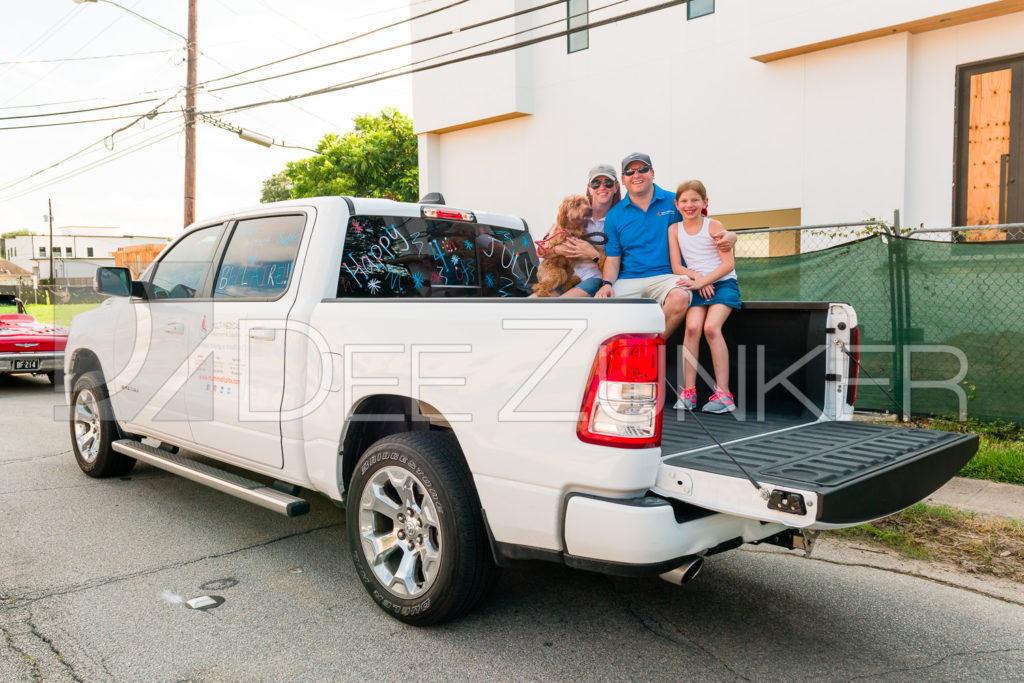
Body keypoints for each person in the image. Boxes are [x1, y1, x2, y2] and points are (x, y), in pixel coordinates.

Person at [594, 153, 736, 338]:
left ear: (652, 173)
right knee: (600, 308)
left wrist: (733, 236)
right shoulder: (614, 215)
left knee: (681, 297)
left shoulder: (675, 201)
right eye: (630, 171)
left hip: (668, 276)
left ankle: (651, 347)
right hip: (629, 279)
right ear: (623, 180)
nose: (636, 175)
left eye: (642, 169)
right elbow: (613, 259)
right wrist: (606, 284)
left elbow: (702, 228)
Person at [668, 180, 742, 413]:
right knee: (692, 328)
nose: (689, 205)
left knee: (711, 328)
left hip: (722, 284)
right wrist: (697, 280)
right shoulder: (674, 230)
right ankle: (689, 393)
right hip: (698, 285)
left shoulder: (714, 226)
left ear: (705, 202)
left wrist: (704, 281)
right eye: (684, 201)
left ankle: (724, 395)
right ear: (677, 204)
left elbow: (728, 264)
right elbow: (676, 266)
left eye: (695, 200)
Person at [540, 164, 620, 297]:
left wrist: (593, 254)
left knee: (558, 306)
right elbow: (542, 249)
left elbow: (618, 263)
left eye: (608, 183)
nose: (602, 187)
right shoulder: (569, 214)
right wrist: (557, 250)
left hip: (593, 277)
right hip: (564, 276)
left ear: (616, 187)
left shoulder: (618, 220)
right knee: (532, 303)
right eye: (596, 183)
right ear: (589, 188)